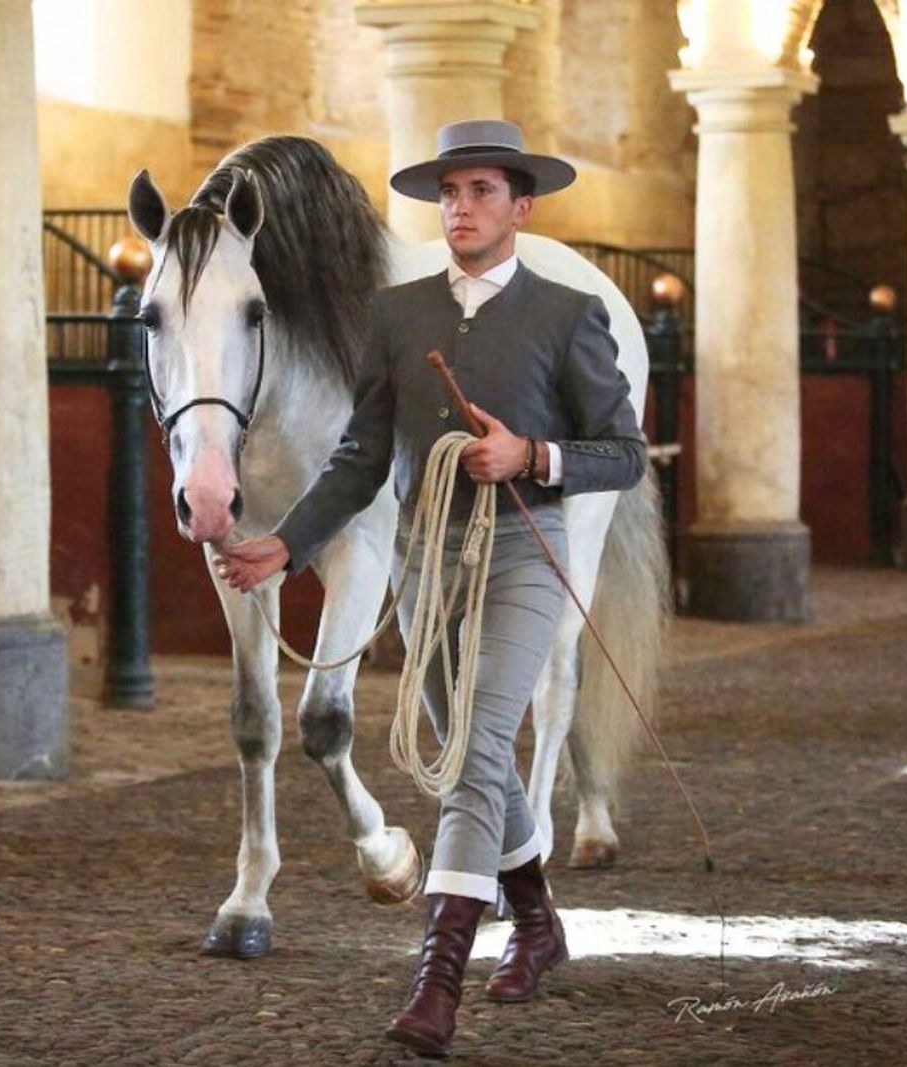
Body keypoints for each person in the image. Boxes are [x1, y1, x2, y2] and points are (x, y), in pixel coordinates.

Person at [213, 118, 646, 1057]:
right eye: (449, 193)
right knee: (465, 753)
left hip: (525, 555)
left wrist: (532, 453)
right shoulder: (395, 317)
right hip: (425, 558)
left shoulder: (569, 315)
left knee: (482, 744)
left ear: (521, 206)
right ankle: (539, 924)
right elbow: (360, 458)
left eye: (483, 190)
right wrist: (285, 548)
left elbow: (626, 455)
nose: (462, 208)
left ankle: (436, 979)